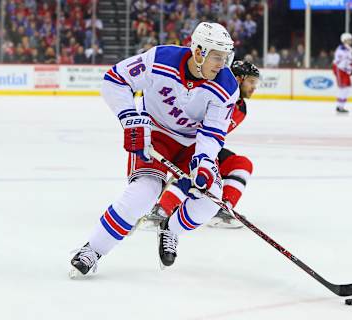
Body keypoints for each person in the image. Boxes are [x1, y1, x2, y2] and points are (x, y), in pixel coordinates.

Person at [70, 22, 239, 277]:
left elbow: (213, 132)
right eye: (217, 56)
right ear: (199, 52)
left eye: (225, 57)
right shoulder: (161, 59)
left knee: (208, 201)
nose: (221, 64)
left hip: (193, 144)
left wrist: (203, 163)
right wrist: (130, 119)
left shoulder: (227, 86)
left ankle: (170, 229)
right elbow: (115, 79)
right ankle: (93, 249)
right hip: (156, 134)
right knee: (143, 193)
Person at [140, 60, 260, 229]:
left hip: (205, 148)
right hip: (179, 143)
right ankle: (161, 210)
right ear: (239, 79)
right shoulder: (210, 92)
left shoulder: (241, 108)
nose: (254, 87)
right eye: (252, 82)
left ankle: (222, 209)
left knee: (241, 164)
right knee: (191, 169)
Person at [332, 33, 352, 113]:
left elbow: (349, 61)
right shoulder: (341, 49)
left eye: (351, 40)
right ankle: (339, 106)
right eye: (349, 40)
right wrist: (348, 68)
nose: (351, 41)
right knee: (342, 87)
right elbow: (341, 62)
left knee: (347, 87)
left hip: (344, 70)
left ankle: (341, 106)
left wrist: (350, 68)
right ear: (344, 40)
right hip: (339, 69)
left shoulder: (349, 49)